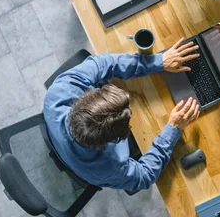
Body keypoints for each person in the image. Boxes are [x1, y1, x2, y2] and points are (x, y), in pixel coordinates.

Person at [43, 38, 201, 193]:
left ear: (88, 96)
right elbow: (144, 176)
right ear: (113, 141)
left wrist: (159, 61)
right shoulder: (107, 167)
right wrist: (173, 128)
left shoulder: (58, 93)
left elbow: (105, 63)